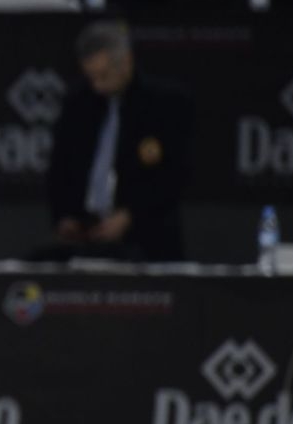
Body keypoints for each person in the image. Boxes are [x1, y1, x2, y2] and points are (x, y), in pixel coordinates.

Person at [43, 19, 193, 262]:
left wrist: (129, 216)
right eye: (91, 77)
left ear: (126, 62)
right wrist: (65, 216)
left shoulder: (165, 104)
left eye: (103, 76)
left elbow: (174, 176)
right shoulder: (79, 104)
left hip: (147, 241)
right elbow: (59, 168)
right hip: (87, 239)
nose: (97, 86)